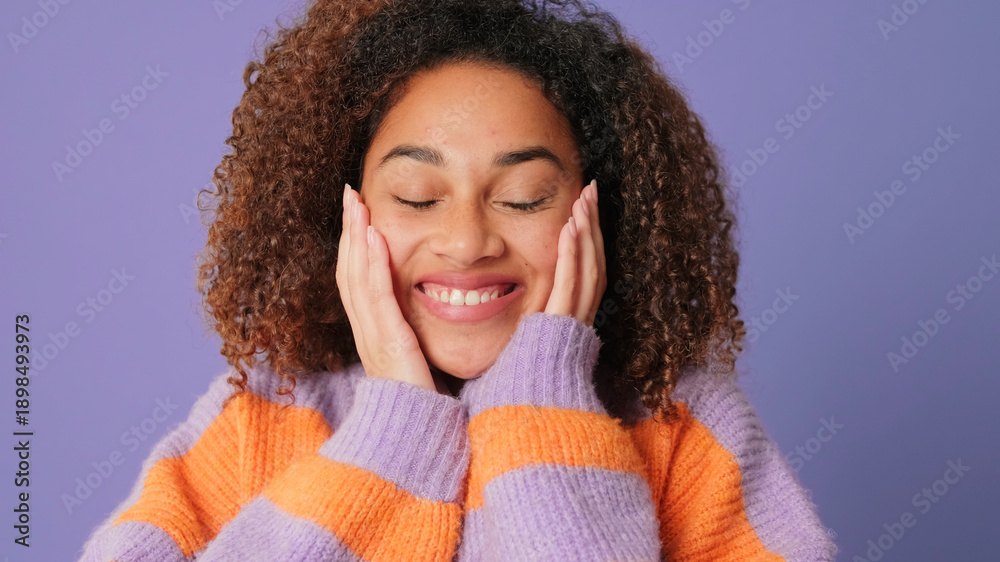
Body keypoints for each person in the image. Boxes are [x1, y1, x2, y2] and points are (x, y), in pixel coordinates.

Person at [79, 0, 837, 560]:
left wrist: (544, 399)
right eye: (417, 197)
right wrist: (395, 435)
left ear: (599, 210)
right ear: (342, 212)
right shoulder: (260, 417)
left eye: (524, 198)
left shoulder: (687, 431)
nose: (468, 242)